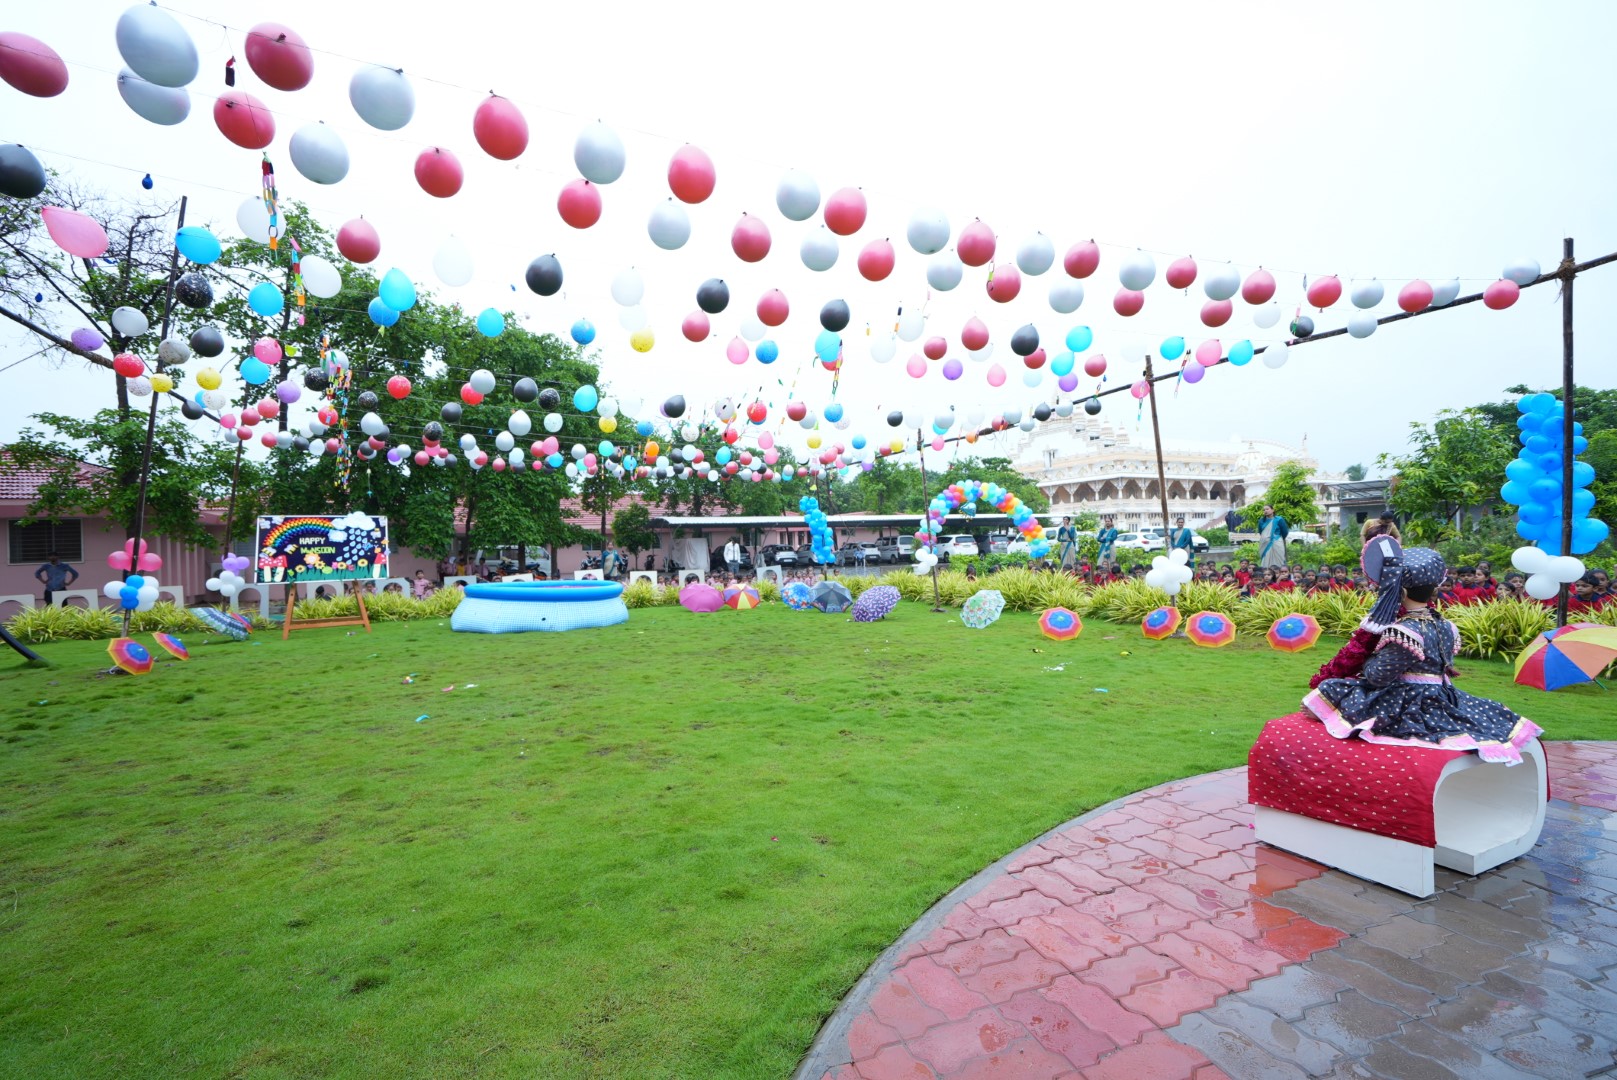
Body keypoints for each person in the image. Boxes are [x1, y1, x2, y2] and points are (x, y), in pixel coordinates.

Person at [1304, 543, 1541, 764]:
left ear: (1401, 591)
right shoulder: (1446, 625)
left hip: (1412, 698)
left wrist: (1368, 657)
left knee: (1332, 688)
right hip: (1443, 691)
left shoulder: (1404, 630)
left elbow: (1378, 677)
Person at [1258, 504, 1289, 569]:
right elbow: (1261, 531)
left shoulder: (1279, 519)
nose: (1265, 511)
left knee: (1279, 558)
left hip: (1277, 541)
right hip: (1265, 543)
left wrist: (1277, 538)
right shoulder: (1261, 520)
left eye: (1267, 509)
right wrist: (1266, 538)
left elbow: (1285, 532)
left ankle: (1280, 571)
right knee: (1265, 558)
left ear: (1272, 510)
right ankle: (1266, 571)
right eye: (1264, 510)